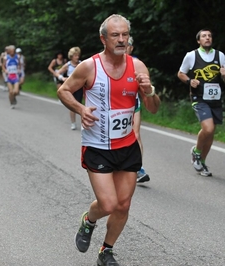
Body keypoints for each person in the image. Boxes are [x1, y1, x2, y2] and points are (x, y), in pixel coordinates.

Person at [57, 14, 160, 266]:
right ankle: (88, 220)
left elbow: (154, 108)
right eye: (115, 35)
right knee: (108, 203)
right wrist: (81, 110)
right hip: (98, 146)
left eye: (125, 34)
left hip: (127, 146)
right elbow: (63, 90)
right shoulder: (89, 66)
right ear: (104, 38)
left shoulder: (138, 67)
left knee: (123, 205)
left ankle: (106, 250)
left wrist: (149, 91)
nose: (121, 39)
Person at [177, 28, 225, 177]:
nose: (207, 38)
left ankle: (202, 161)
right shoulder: (191, 56)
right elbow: (181, 73)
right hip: (199, 97)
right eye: (203, 36)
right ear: (198, 41)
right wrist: (189, 81)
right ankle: (196, 152)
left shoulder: (220, 56)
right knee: (208, 129)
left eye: (209, 36)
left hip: (215, 99)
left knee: (211, 133)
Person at [126, 36, 150, 183]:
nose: (124, 46)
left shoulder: (136, 64)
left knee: (136, 135)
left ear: (131, 48)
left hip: (133, 104)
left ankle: (138, 169)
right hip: (114, 107)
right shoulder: (109, 62)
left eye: (128, 44)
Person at [55, 47, 83, 130]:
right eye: (75, 55)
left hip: (80, 87)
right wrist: (62, 78)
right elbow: (57, 73)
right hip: (70, 88)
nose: (77, 57)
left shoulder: (81, 64)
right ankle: (73, 123)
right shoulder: (68, 65)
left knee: (81, 105)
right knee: (73, 105)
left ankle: (83, 124)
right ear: (71, 56)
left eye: (78, 55)